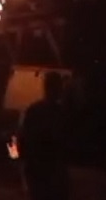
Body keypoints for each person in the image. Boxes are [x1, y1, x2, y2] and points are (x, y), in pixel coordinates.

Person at [17, 71, 69, 200]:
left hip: (39, 170)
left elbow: (22, 139)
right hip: (49, 170)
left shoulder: (35, 111)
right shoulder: (61, 113)